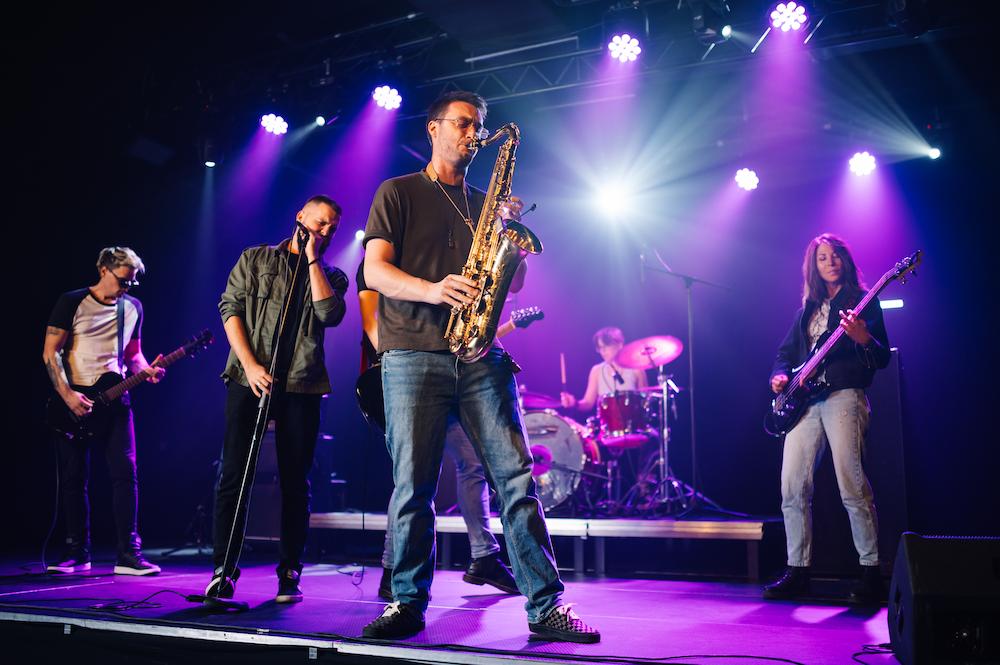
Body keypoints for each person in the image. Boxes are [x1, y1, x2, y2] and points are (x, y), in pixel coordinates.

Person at [361, 90, 599, 642]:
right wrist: (433, 289)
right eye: (464, 124)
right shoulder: (397, 192)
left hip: (480, 354)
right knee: (412, 486)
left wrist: (503, 235)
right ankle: (406, 604)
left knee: (517, 478)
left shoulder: (482, 203)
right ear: (434, 129)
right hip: (413, 353)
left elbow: (512, 281)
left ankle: (545, 607)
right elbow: (374, 272)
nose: (474, 134)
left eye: (480, 126)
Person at [207, 195, 348, 604]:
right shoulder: (254, 259)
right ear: (299, 216)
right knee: (235, 474)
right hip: (248, 378)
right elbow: (229, 307)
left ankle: (289, 572)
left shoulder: (331, 274)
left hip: (302, 385)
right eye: (318, 223)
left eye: (331, 229)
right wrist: (249, 364)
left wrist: (311, 260)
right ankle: (223, 571)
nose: (323, 232)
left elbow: (329, 315)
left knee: (295, 482)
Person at [356, 261, 520, 601]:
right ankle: (393, 567)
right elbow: (372, 323)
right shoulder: (375, 267)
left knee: (472, 464)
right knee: (412, 477)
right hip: (406, 373)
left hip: (452, 369)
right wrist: (398, 365)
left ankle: (484, 556)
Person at [763, 233, 890, 604]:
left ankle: (871, 573)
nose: (830, 262)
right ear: (813, 267)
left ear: (845, 260)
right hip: (805, 402)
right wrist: (780, 375)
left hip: (843, 396)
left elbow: (880, 357)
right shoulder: (806, 310)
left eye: (835, 256)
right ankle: (797, 570)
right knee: (791, 485)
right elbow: (784, 354)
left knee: (851, 484)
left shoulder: (863, 301)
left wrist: (864, 337)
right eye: (822, 258)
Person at [42, 246, 165, 575]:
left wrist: (146, 370)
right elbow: (50, 353)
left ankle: (128, 554)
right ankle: (76, 551)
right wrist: (68, 395)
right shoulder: (72, 302)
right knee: (73, 478)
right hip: (74, 400)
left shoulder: (132, 308)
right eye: (124, 279)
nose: (128, 287)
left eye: (133, 282)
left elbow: (133, 355)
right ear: (103, 270)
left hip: (115, 400)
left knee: (126, 474)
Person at [560, 326, 648, 413]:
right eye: (600, 347)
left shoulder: (636, 369)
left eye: (606, 346)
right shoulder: (596, 371)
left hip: (633, 425)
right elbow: (588, 403)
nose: (603, 351)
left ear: (620, 344)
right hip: (607, 426)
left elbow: (646, 401)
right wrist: (575, 403)